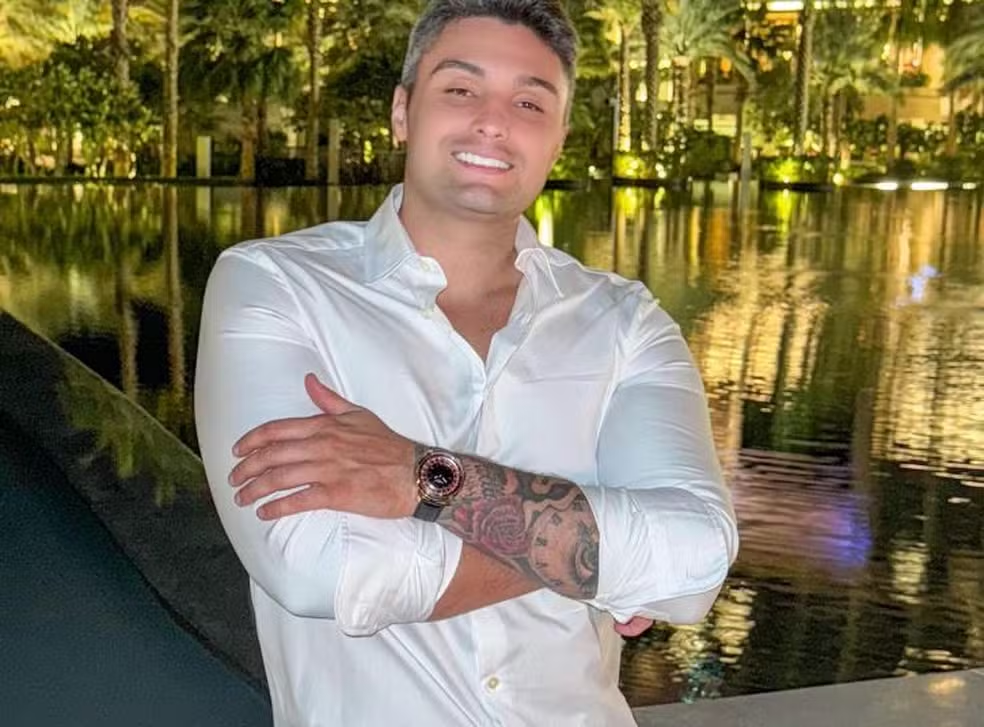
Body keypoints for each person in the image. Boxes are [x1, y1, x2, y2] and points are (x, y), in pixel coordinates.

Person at [195, 1, 738, 724]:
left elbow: (697, 558)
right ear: (403, 112)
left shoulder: (625, 322)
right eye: (460, 88)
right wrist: (596, 550)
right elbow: (315, 566)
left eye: (529, 102)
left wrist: (429, 480)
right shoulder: (276, 285)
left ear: (559, 137)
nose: (493, 121)